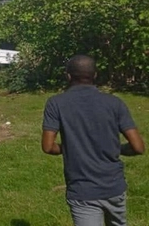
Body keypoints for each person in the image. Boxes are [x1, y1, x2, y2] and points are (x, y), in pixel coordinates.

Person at [42, 55, 145, 226]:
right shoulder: (115, 103)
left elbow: (47, 146)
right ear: (95, 75)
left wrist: (69, 147)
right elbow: (139, 147)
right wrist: (115, 148)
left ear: (68, 76)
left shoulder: (56, 103)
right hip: (114, 187)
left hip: (83, 190)